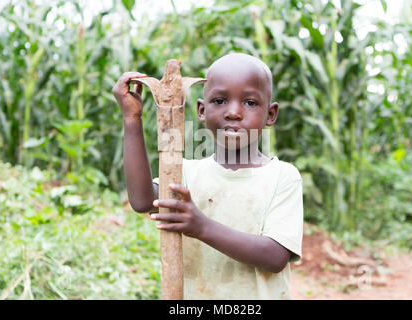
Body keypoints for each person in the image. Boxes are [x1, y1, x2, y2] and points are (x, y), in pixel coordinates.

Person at [112, 53, 303, 299]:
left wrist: (201, 227)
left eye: (251, 103)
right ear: (202, 110)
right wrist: (131, 119)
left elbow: (275, 256)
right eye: (220, 100)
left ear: (271, 114)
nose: (233, 112)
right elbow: (142, 200)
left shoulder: (283, 177)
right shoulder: (186, 173)